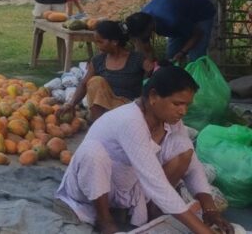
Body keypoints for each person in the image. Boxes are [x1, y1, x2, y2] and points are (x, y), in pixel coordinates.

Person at [55, 64, 233, 234]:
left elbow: (192, 165)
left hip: (129, 186)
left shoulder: (172, 122)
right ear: (154, 97)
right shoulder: (130, 120)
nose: (183, 111)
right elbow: (156, 182)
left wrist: (210, 209)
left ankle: (151, 209)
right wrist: (203, 231)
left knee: (185, 154)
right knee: (92, 152)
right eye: (177, 104)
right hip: (95, 187)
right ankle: (104, 220)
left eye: (187, 105)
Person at [58, 21, 152, 121]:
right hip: (104, 112)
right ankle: (100, 124)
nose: (97, 45)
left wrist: (143, 98)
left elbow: (153, 75)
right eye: (96, 42)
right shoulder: (98, 60)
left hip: (128, 109)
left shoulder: (136, 59)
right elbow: (83, 84)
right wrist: (71, 104)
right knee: (95, 82)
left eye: (100, 42)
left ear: (114, 42)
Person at [125, 0, 216, 65]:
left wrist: (182, 52)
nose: (144, 38)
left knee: (196, 59)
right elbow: (145, 47)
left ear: (149, 26)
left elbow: (198, 34)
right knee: (171, 56)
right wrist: (152, 65)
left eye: (144, 35)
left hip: (202, 12)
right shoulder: (141, 20)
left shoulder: (172, 20)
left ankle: (199, 80)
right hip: (179, 12)